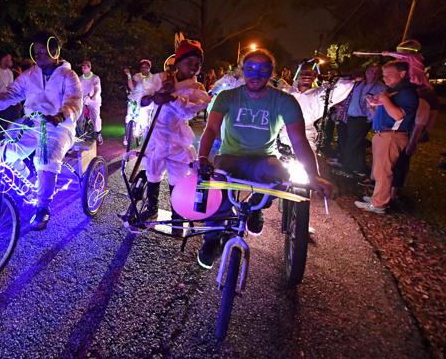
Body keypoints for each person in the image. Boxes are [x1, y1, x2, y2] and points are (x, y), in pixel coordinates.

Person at [196, 49, 333, 269]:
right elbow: (211, 129)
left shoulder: (284, 101)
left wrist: (313, 176)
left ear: (272, 73)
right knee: (217, 191)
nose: (256, 75)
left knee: (281, 175)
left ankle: (255, 207)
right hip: (231, 156)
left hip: (264, 158)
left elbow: (299, 141)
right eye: (250, 69)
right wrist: (202, 157)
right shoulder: (227, 97)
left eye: (263, 70)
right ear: (242, 71)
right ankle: (211, 239)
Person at [0, 31, 82, 230]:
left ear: (55, 52)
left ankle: (43, 208)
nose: (38, 56)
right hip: (32, 123)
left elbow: (74, 101)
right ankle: (27, 178)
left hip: (59, 127)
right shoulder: (30, 75)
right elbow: (12, 93)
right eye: (36, 52)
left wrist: (60, 115)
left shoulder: (69, 76)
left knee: (45, 158)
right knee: (4, 148)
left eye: (43, 52)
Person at [137, 39, 211, 236]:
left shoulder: (198, 88)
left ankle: (177, 218)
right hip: (156, 136)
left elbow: (191, 109)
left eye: (198, 64)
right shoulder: (162, 78)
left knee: (177, 179)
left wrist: (172, 98)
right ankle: (151, 208)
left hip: (178, 140)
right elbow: (141, 96)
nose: (194, 67)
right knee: (153, 172)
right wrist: (153, 97)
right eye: (190, 62)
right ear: (177, 62)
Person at [354, 60, 418, 214]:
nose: (385, 79)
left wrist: (384, 100)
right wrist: (375, 105)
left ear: (402, 74)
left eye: (389, 75)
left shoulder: (406, 93)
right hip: (383, 135)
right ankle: (379, 197)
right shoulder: (393, 91)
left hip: (392, 136)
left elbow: (397, 115)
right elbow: (385, 111)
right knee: (379, 170)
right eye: (384, 75)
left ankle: (379, 204)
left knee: (384, 172)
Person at [279, 60, 355, 152]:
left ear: (315, 76)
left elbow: (339, 89)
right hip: (283, 135)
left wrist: (351, 79)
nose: (307, 75)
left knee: (307, 161)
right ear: (298, 75)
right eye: (304, 73)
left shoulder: (320, 94)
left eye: (310, 73)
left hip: (306, 135)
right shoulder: (286, 92)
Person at [343, 65, 386, 177]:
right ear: (366, 72)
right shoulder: (358, 84)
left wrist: (370, 118)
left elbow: (381, 106)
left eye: (377, 72)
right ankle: (359, 167)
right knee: (356, 143)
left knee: (352, 143)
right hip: (352, 117)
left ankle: (348, 167)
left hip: (363, 119)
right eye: (371, 71)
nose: (374, 74)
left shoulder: (380, 88)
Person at [124, 59, 162, 145]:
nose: (144, 69)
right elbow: (132, 87)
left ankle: (146, 138)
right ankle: (127, 136)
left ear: (149, 68)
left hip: (146, 101)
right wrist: (129, 76)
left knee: (145, 121)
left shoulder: (153, 78)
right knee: (129, 117)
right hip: (134, 98)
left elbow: (157, 90)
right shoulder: (137, 76)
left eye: (146, 67)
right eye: (142, 67)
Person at [79, 60, 103, 144]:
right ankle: (79, 134)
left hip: (93, 100)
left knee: (95, 118)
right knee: (78, 116)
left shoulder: (95, 78)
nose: (83, 69)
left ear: (89, 68)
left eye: (85, 67)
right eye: (82, 67)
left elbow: (97, 88)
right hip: (83, 99)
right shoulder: (80, 78)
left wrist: (94, 95)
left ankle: (98, 134)